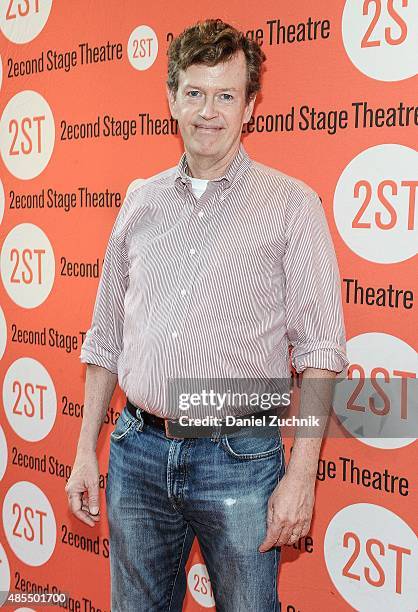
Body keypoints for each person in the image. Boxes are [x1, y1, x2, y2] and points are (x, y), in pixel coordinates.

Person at [66, 18, 349, 612]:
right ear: (172, 100)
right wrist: (84, 449)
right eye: (194, 93)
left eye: (226, 95)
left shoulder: (292, 205)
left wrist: (300, 478)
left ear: (250, 105)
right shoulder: (139, 200)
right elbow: (106, 337)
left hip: (240, 460)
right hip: (136, 452)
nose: (208, 111)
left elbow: (321, 354)